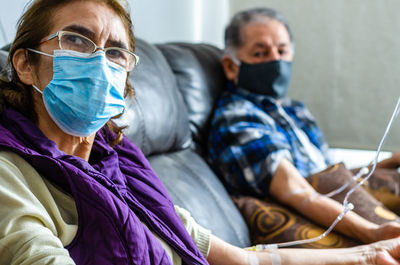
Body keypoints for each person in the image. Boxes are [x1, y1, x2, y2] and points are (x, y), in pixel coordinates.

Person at [1, 1, 400, 264]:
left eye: (115, 52)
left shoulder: (123, 173)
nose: (98, 63)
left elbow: (241, 259)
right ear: (25, 64)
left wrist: (367, 254)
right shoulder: (11, 175)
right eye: (76, 39)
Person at [208, 7, 400, 245]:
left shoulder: (295, 111)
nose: (276, 61)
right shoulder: (237, 117)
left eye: (282, 50)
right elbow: (297, 190)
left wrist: (392, 161)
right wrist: (371, 232)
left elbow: (333, 177)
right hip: (305, 220)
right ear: (231, 66)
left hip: (333, 203)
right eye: (260, 53)